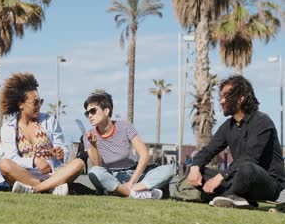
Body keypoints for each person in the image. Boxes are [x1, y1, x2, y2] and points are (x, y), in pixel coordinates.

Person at [187, 75, 285, 208]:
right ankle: (236, 197)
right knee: (197, 172)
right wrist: (194, 168)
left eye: (225, 96)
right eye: (221, 97)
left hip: (266, 182)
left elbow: (250, 158)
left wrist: (221, 175)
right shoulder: (229, 126)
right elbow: (208, 151)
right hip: (238, 177)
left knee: (247, 167)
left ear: (240, 98)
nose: (221, 101)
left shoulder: (262, 121)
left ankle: (228, 195)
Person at [0, 72, 85, 195]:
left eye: (40, 101)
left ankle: (37, 189)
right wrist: (34, 161)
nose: (39, 106)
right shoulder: (8, 127)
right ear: (21, 105)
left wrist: (60, 152)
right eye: (35, 103)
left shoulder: (49, 121)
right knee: (4, 164)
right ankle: (51, 188)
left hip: (52, 175)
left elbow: (63, 149)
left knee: (79, 163)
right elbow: (11, 158)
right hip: (23, 175)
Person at [83, 90, 174, 199]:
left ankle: (124, 192)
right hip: (109, 177)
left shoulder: (124, 126)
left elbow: (144, 154)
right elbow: (97, 165)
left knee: (168, 170)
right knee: (94, 172)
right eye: (87, 113)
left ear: (106, 111)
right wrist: (93, 144)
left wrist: (131, 182)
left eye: (93, 111)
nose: (89, 116)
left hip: (132, 174)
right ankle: (137, 193)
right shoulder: (88, 135)